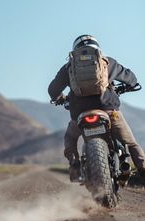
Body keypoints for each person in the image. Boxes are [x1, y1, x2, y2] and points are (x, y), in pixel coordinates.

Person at [48, 34, 145, 181]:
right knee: (131, 143)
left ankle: (75, 167)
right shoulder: (107, 63)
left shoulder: (69, 67)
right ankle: (142, 168)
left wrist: (59, 98)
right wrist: (129, 85)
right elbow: (131, 78)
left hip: (79, 115)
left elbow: (53, 89)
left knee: (70, 138)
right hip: (109, 112)